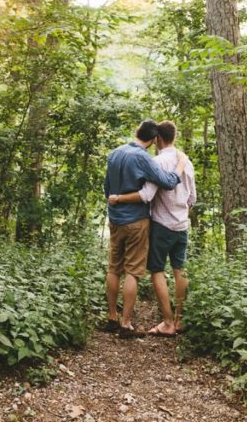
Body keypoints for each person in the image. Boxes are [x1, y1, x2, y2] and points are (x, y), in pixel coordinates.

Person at [108, 119, 196, 337]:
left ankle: (118, 317)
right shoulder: (183, 161)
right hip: (174, 223)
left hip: (142, 221)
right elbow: (190, 196)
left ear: (158, 139)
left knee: (130, 269)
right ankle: (176, 320)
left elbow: (140, 193)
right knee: (176, 270)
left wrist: (117, 199)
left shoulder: (127, 155)